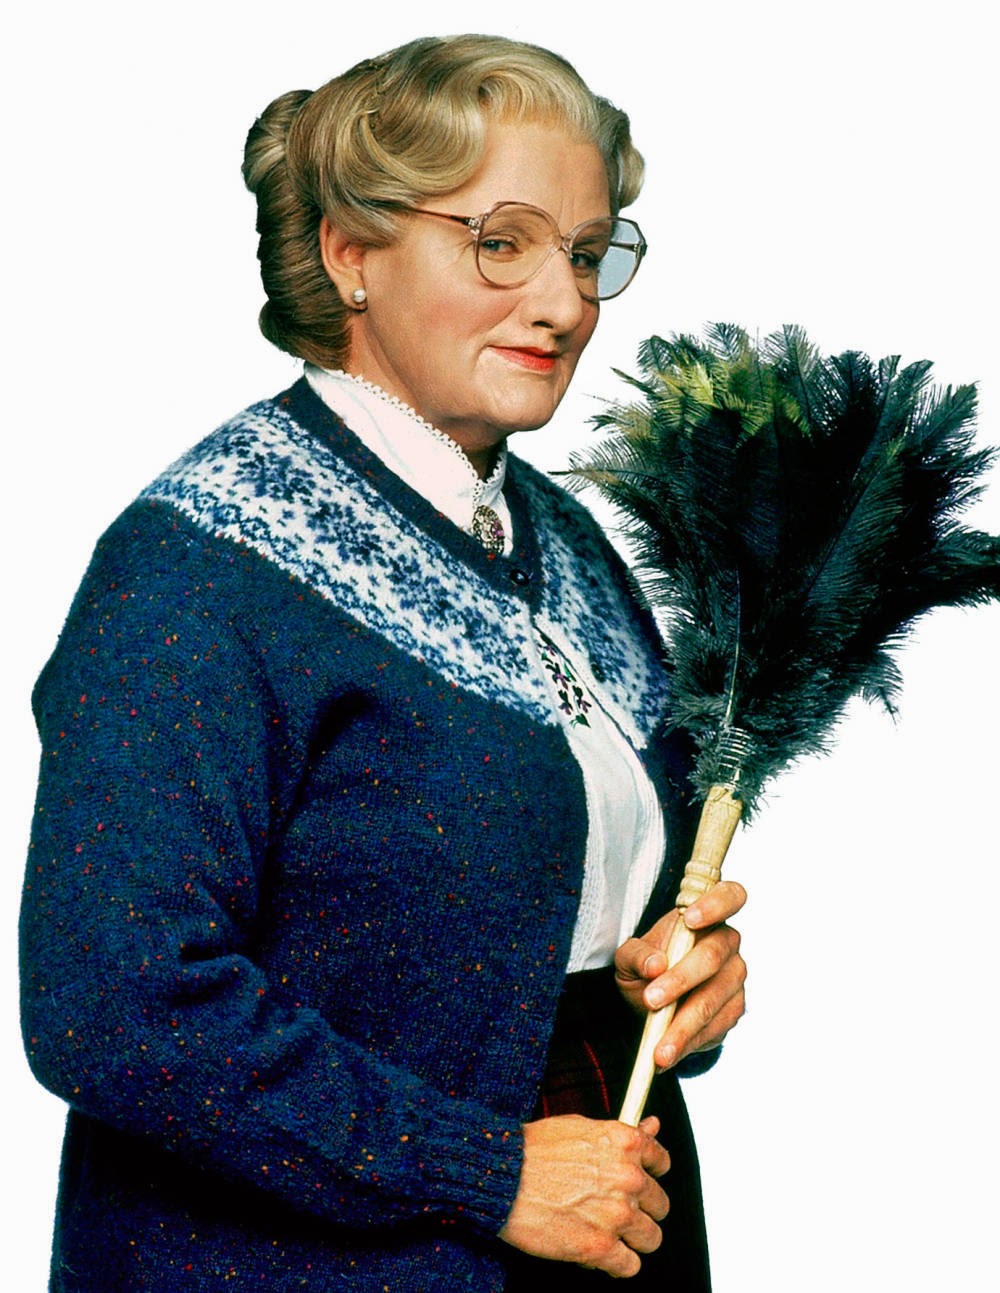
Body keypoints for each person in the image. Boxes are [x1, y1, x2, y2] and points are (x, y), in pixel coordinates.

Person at [19, 34, 747, 1291]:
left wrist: (665, 982)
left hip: (605, 1230)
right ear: (351, 253)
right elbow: (113, 1002)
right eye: (502, 242)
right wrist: (484, 1171)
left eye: (586, 254)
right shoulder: (198, 568)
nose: (565, 304)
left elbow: (539, 926)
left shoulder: (566, 544)